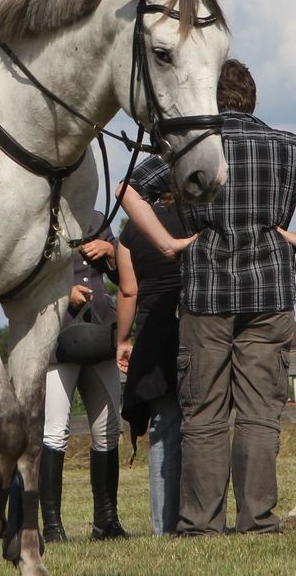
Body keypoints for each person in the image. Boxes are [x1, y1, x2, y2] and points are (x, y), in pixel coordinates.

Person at [119, 59, 296, 536]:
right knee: (258, 413)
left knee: (203, 414)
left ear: (209, 98)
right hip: (269, 293)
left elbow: (128, 189)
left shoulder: (191, 149)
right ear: (253, 99)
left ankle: (201, 523)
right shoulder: (285, 146)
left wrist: (166, 244)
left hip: (205, 292)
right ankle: (258, 519)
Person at [40, 211, 130, 543]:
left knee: (107, 430)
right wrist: (65, 291)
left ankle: (106, 522)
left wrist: (111, 253)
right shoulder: (42, 217)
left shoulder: (96, 218)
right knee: (55, 431)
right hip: (58, 337)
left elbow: (126, 279)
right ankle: (52, 527)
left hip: (100, 334)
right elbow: (24, 276)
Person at [115, 194, 186, 536]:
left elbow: (128, 291)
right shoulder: (195, 218)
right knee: (205, 426)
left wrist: (123, 340)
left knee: (163, 427)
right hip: (193, 323)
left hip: (153, 333)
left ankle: (164, 526)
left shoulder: (131, 232)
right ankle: (202, 518)